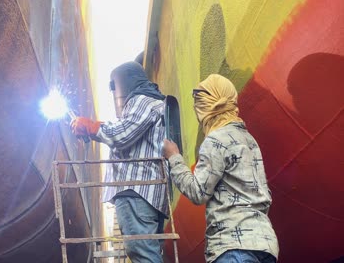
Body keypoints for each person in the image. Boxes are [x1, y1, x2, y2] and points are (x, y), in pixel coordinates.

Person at [163, 74, 279, 263]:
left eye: (199, 103)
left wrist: (174, 157)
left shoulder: (216, 140)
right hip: (265, 245)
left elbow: (198, 192)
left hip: (233, 245)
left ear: (207, 106)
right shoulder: (249, 140)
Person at [71, 61, 167, 262]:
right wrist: (97, 129)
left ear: (121, 84)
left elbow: (122, 135)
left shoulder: (142, 100)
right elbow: (126, 129)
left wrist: (92, 127)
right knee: (146, 251)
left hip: (136, 191)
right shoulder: (150, 103)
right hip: (144, 193)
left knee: (141, 252)